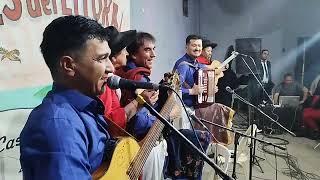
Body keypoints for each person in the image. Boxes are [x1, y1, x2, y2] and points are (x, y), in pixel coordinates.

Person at [20, 15, 115, 179]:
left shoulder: (83, 109)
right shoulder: (59, 127)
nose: (111, 68)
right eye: (102, 58)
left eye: (109, 57)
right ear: (68, 65)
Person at [115, 32, 165, 180]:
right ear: (133, 55)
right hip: (140, 147)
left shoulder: (122, 72)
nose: (153, 54)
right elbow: (139, 124)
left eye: (154, 49)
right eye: (147, 50)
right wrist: (162, 120)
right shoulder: (139, 78)